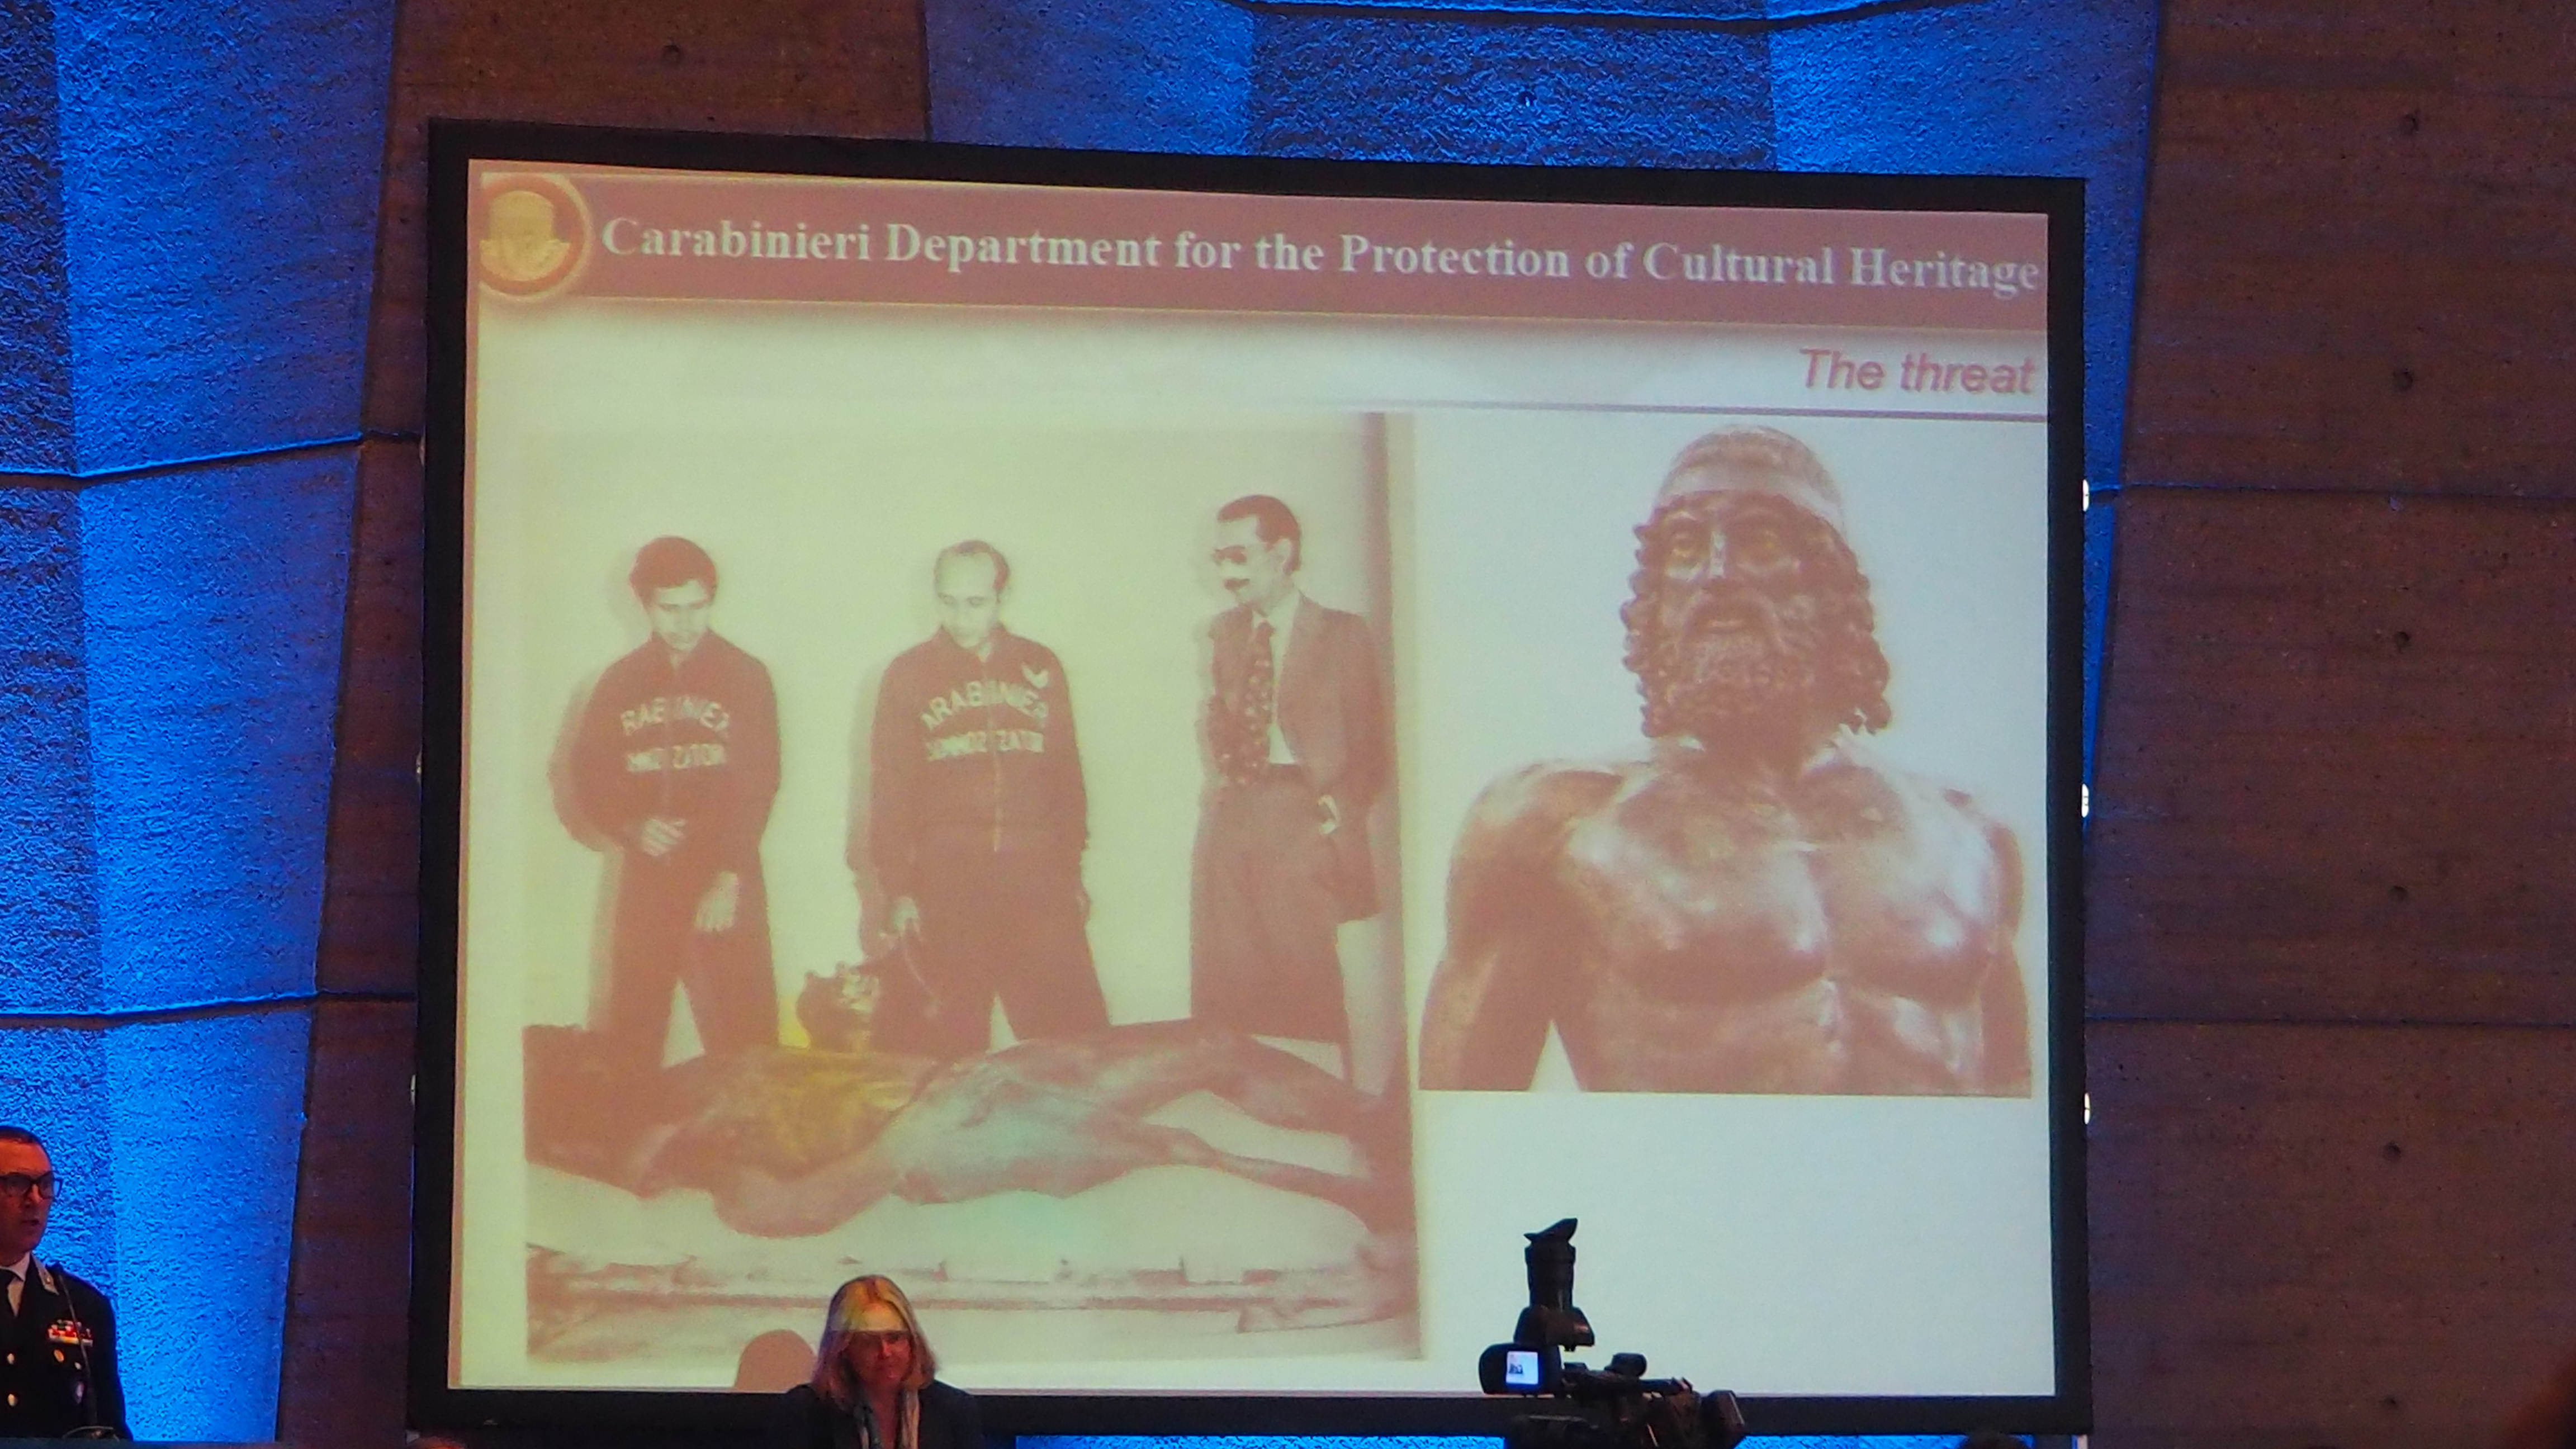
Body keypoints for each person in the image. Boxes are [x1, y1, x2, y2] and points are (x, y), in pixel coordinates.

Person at [1418, 427, 2030, 1095]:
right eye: (1685, 548)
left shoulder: (1969, 835)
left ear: (1828, 585)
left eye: (1759, 542)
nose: (1716, 574)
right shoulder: (1555, 824)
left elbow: (2011, 1100)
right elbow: (1458, 1118)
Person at [860, 541, 1109, 1057]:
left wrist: (1069, 869)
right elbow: (890, 791)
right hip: (948, 884)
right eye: (948, 602)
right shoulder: (908, 674)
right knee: (945, 1051)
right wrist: (898, 888)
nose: (960, 618)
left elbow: (1066, 777)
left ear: (1002, 598)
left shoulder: (1040, 665)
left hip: (1036, 878)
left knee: (1075, 1049)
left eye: (976, 603)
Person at [1190, 495, 1390, 1072]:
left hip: (1302, 812)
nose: (1227, 574)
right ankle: (1239, 1095)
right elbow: (1222, 718)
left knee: (1303, 974)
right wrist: (1222, 783)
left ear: (1282, 553)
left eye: (1239, 556)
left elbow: (1371, 749)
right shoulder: (1225, 633)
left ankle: (1319, 1098)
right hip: (1235, 812)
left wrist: (1335, 815)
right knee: (1227, 969)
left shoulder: (1342, 634)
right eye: (1219, 558)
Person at [570, 536, 782, 1081]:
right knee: (635, 1025)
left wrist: (729, 874)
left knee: (748, 1032)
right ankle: (632, 1125)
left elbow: (758, 783)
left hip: (724, 869)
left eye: (697, 606)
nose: (685, 623)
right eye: (670, 609)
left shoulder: (745, 675)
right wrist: (630, 824)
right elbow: (588, 773)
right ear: (644, 605)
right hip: (649, 872)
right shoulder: (620, 682)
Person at [0, 1126, 126, 1439]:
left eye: (45, 1185)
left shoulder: (82, 1306)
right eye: (17, 1184)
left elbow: (110, 1431)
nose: (35, 1200)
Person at [777, 1276, 981, 1449]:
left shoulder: (953, 1410)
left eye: (895, 1338)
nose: (885, 1353)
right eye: (869, 1342)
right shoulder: (805, 1411)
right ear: (843, 1349)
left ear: (912, 1342)